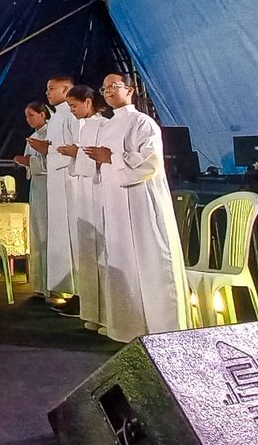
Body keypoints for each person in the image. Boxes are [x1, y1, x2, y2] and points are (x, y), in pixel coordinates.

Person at [83, 73, 189, 343]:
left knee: (150, 260)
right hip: (116, 202)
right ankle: (127, 327)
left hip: (141, 201)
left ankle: (164, 329)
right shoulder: (106, 126)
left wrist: (112, 157)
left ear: (129, 90)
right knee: (122, 261)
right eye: (104, 88)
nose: (107, 92)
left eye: (113, 87)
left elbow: (151, 163)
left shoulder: (143, 122)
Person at [59, 86, 107, 331]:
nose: (73, 111)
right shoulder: (85, 127)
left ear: (88, 102)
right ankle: (92, 310)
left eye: (75, 106)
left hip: (97, 191)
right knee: (86, 251)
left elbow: (99, 159)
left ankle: (107, 313)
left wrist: (76, 152)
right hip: (83, 191)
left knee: (102, 253)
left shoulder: (102, 126)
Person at [40, 75, 81, 314]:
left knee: (72, 237)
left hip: (69, 182)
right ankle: (68, 288)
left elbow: (77, 147)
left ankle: (79, 291)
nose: (48, 93)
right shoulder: (58, 116)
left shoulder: (71, 115)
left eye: (51, 88)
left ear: (67, 89)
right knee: (61, 237)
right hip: (57, 182)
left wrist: (52, 151)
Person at [14, 101, 51, 296]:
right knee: (38, 231)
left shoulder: (51, 133)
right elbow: (33, 162)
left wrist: (31, 162)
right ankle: (40, 284)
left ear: (43, 114)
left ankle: (51, 286)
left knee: (47, 230)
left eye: (31, 115)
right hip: (37, 186)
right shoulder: (34, 137)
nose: (28, 119)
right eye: (26, 116)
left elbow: (51, 161)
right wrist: (26, 162)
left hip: (48, 186)